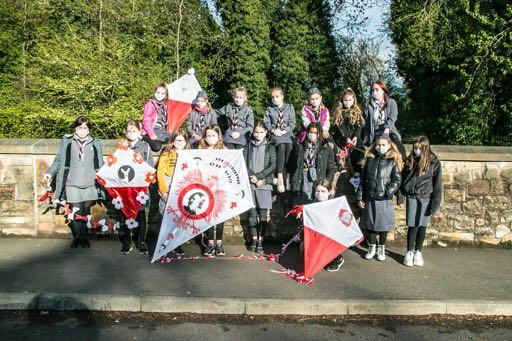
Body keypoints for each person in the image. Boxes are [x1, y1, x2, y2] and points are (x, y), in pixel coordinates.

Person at [44, 116, 104, 248]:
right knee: (76, 212)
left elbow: (100, 163)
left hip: (90, 183)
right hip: (72, 182)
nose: (82, 130)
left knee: (85, 212)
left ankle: (83, 237)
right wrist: (50, 173)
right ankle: (78, 238)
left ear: (89, 129)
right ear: (75, 128)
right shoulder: (67, 141)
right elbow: (58, 160)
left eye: (85, 127)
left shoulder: (95, 143)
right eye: (79, 127)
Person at [357, 133, 403, 261]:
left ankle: (381, 248)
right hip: (371, 198)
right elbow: (363, 180)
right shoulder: (370, 160)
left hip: (384, 199)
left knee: (383, 226)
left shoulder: (392, 161)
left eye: (383, 145)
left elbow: (397, 180)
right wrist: (360, 197)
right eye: (378, 144)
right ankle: (372, 247)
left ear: (389, 145)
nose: (380, 147)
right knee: (371, 225)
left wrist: (388, 192)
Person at [400, 136, 442, 267]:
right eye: (415, 148)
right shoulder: (410, 161)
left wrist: (435, 205)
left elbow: (438, 185)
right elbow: (402, 180)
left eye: (419, 148)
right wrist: (401, 196)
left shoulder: (434, 162)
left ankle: (418, 251)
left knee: (422, 225)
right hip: (412, 197)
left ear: (425, 148)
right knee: (413, 225)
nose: (416, 150)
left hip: (425, 197)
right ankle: (409, 252)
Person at [118, 120, 153, 255]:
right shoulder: (122, 146)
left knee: (140, 215)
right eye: (129, 131)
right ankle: (127, 241)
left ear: (139, 132)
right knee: (127, 214)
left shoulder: (145, 146)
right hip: (126, 186)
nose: (131, 133)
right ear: (125, 132)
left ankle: (141, 242)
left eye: (134, 131)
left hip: (141, 186)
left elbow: (150, 165)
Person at [243, 122, 276, 253]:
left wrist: (260, 178)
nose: (258, 134)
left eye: (261, 132)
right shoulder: (247, 146)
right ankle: (254, 239)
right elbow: (243, 164)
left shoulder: (270, 147)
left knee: (262, 214)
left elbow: (273, 165)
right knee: (251, 214)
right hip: (250, 183)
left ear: (266, 132)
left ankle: (261, 241)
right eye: (256, 132)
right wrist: (253, 178)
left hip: (264, 185)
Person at [157, 129, 188, 256]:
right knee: (166, 216)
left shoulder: (188, 153)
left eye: (182, 140)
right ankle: (163, 243)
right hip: (169, 185)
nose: (180, 143)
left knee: (179, 217)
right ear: (173, 141)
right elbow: (160, 172)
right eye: (177, 140)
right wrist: (163, 191)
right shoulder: (166, 153)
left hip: (183, 187)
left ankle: (176, 244)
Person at [198, 124, 227, 256]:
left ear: (218, 136)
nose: (210, 138)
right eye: (208, 136)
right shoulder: (200, 149)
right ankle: (210, 243)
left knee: (219, 215)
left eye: (213, 136)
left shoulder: (224, 150)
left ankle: (219, 243)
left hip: (220, 187)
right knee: (208, 215)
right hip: (206, 186)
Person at [290, 122, 336, 205]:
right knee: (304, 206)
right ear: (307, 133)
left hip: (319, 181)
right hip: (303, 179)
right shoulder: (300, 147)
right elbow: (292, 165)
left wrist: (326, 184)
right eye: (311, 132)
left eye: (315, 133)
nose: (312, 134)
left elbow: (331, 168)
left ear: (319, 134)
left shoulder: (325, 149)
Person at [363, 81, 407, 161]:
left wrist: (386, 131)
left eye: (377, 89)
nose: (374, 92)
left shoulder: (391, 102)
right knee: (376, 149)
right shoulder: (368, 105)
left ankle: (405, 163)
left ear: (383, 91)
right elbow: (367, 122)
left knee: (397, 144)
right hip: (375, 131)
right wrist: (366, 136)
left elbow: (392, 117)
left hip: (389, 129)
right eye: (373, 90)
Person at [263, 87, 295, 193]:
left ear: (282, 96)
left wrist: (284, 131)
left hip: (287, 134)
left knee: (289, 147)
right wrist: (273, 130)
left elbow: (292, 123)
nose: (274, 99)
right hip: (275, 134)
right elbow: (266, 123)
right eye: (272, 97)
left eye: (277, 96)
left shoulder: (290, 108)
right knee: (281, 146)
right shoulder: (269, 109)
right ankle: (280, 176)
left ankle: (288, 176)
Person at [332, 88, 365, 176]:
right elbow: (341, 127)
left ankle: (358, 172)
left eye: (350, 100)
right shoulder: (339, 112)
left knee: (359, 151)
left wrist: (355, 137)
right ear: (342, 100)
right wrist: (347, 138)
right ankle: (340, 165)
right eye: (345, 100)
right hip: (342, 138)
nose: (347, 102)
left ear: (353, 100)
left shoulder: (357, 112)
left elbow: (359, 126)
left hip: (354, 138)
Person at [141, 83, 169, 151]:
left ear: (165, 96)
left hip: (161, 131)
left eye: (162, 93)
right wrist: (151, 134)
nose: (159, 95)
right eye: (158, 92)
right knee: (157, 146)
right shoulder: (150, 104)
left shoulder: (164, 106)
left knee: (175, 138)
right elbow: (146, 122)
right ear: (154, 92)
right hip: (151, 130)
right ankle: (143, 138)